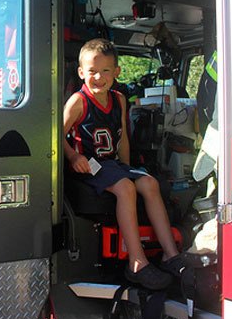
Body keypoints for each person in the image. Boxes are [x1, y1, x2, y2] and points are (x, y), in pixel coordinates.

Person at [63, 38, 185, 290]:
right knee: (126, 189)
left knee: (149, 183)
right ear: (81, 72)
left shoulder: (119, 99)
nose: (98, 77)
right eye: (92, 71)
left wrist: (128, 169)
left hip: (112, 165)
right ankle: (137, 263)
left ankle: (171, 255)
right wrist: (74, 157)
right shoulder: (78, 101)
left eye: (105, 71)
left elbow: (123, 139)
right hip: (89, 166)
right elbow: (55, 134)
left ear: (116, 72)